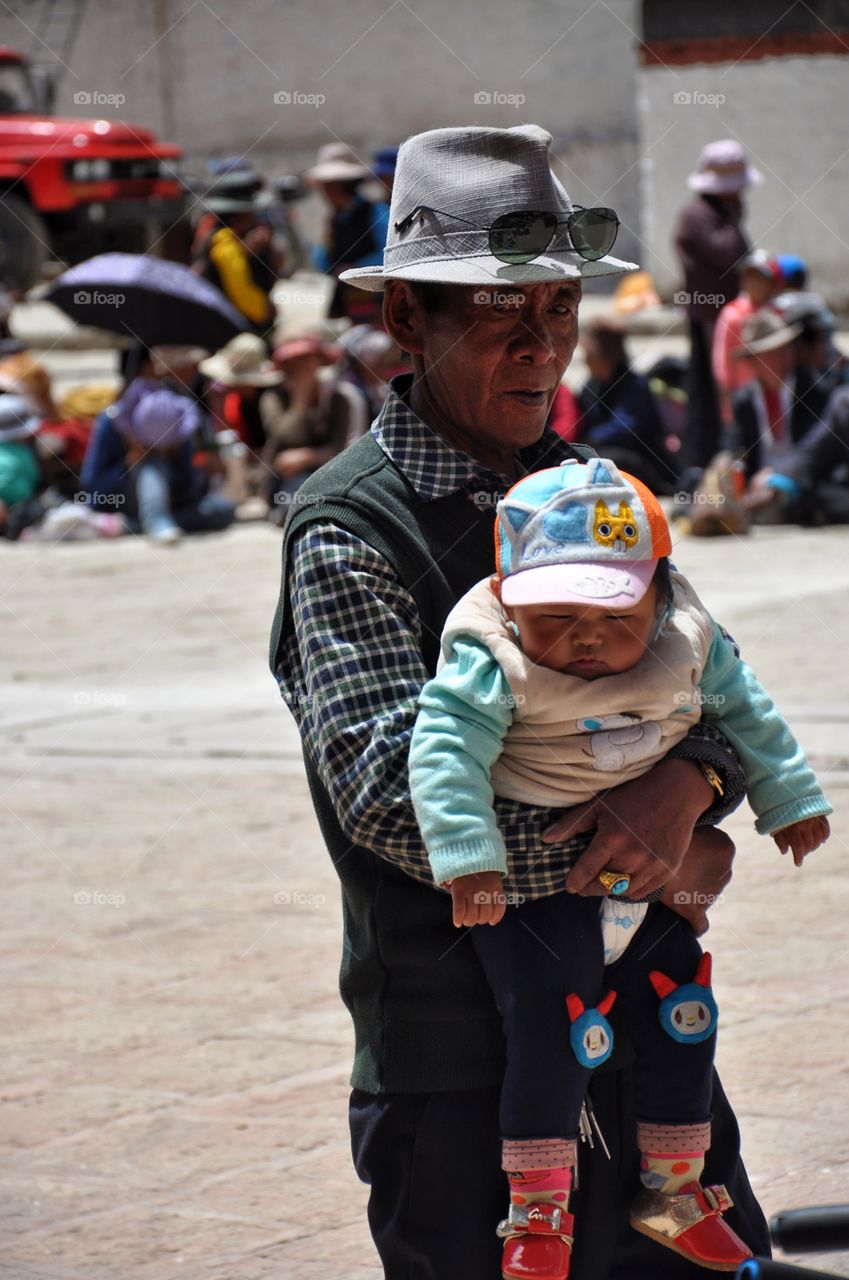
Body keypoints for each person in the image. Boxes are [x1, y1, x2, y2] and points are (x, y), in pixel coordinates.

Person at [269, 124, 775, 1279]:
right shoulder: (351, 528)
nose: (543, 346)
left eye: (558, 310)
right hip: (461, 1061)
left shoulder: (581, 492)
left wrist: (692, 780)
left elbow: (707, 681)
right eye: (503, 315)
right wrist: (637, 847)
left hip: (637, 1037)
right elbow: (394, 799)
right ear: (406, 321)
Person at [408, 458, 830, 1278]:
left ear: (660, 592)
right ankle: (538, 1210)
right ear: (504, 596)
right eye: (552, 616)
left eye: (611, 614)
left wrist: (789, 797)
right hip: (541, 896)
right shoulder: (490, 655)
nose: (584, 637)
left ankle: (673, 1189)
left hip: (654, 885)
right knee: (554, 1033)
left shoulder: (687, 639)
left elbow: (745, 711)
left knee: (685, 1016)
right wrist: (468, 859)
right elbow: (444, 751)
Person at [674, 141, 761, 490]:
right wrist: (736, 218)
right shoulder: (698, 216)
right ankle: (699, 469)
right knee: (710, 394)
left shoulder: (716, 213)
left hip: (724, 316)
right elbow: (729, 252)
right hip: (709, 317)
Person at [81, 346, 235, 543]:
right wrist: (129, 465)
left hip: (174, 504)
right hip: (125, 500)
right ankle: (155, 521)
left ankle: (136, 524)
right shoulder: (110, 422)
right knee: (152, 465)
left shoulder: (172, 414)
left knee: (222, 510)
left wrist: (178, 460)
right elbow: (94, 492)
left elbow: (190, 486)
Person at [576, 317, 677, 493]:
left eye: (589, 355)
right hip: (604, 450)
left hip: (641, 461)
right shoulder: (593, 385)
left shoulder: (634, 385)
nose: (586, 361)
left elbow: (626, 426)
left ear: (604, 357)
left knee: (603, 459)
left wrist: (591, 438)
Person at [306, 142, 389, 325]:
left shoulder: (376, 213)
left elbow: (388, 252)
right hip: (345, 303)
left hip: (375, 303)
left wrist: (354, 267)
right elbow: (322, 259)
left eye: (330, 185)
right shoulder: (335, 219)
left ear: (345, 185)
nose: (325, 192)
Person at [192, 174, 276, 335]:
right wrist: (266, 310)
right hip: (230, 329)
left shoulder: (233, 239)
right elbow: (242, 292)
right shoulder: (224, 243)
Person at [712, 250, 781, 423]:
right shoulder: (733, 315)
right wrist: (727, 397)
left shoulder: (778, 313)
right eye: (750, 277)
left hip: (775, 396)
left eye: (760, 278)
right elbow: (723, 360)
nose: (754, 283)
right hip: (743, 395)